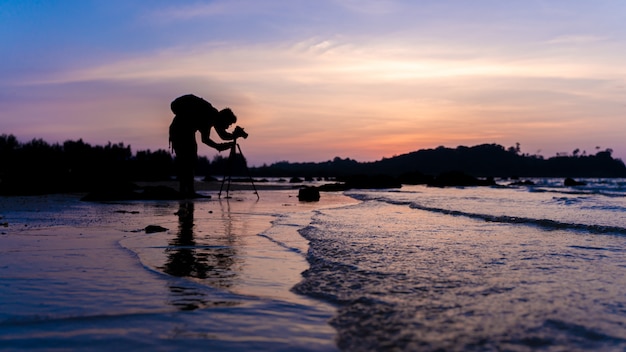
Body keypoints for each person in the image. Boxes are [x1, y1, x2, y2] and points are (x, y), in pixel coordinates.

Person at [168, 94, 240, 198]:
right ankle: (187, 192)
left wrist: (233, 136)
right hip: (179, 131)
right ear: (223, 119)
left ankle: (185, 191)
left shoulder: (214, 116)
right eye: (228, 124)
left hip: (184, 131)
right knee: (188, 161)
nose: (227, 127)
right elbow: (206, 139)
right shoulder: (210, 116)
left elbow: (222, 135)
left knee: (189, 161)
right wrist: (219, 146)